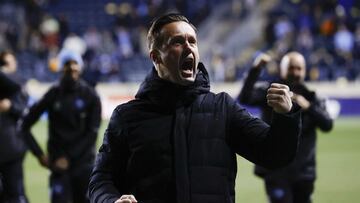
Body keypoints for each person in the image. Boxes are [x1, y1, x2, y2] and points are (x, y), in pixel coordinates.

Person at [88, 13, 301, 203]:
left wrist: (285, 116)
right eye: (177, 42)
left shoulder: (222, 108)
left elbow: (275, 155)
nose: (189, 47)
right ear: (156, 57)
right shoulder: (127, 117)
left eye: (193, 41)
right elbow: (100, 181)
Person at [238, 51, 333, 203]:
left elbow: (327, 125)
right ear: (281, 69)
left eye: (299, 68)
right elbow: (245, 97)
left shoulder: (311, 97)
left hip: (304, 173)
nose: (295, 72)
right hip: (276, 171)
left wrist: (308, 107)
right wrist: (256, 69)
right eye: (291, 68)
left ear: (304, 71)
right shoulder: (272, 93)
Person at [20, 49, 102, 203]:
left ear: (81, 66)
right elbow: (23, 125)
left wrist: (68, 159)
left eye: (75, 63)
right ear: (60, 67)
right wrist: (39, 155)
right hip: (59, 169)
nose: (72, 67)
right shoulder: (52, 94)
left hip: (84, 167)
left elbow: (92, 134)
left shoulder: (91, 96)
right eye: (67, 63)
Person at [0, 51, 29, 203]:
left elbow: (25, 112)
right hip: (11, 147)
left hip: (11, 148)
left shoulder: (15, 86)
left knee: (15, 193)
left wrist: (10, 107)